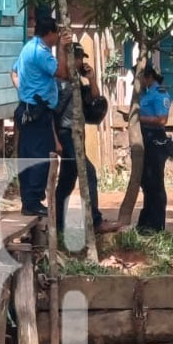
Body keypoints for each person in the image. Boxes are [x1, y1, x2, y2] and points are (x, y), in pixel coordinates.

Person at [54, 45, 119, 236]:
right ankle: (95, 221)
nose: (80, 62)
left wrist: (91, 79)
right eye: (77, 58)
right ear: (67, 58)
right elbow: (51, 113)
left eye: (82, 58)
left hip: (77, 134)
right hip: (66, 134)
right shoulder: (58, 83)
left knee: (67, 180)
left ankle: (58, 225)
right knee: (88, 172)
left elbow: (95, 99)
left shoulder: (77, 84)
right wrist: (56, 140)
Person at [12, 15, 66, 216]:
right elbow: (61, 73)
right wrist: (62, 48)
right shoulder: (42, 53)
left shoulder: (28, 48)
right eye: (56, 33)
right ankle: (33, 201)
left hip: (27, 107)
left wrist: (24, 92)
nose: (57, 37)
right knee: (40, 156)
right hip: (37, 111)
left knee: (27, 154)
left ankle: (29, 200)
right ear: (50, 33)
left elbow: (13, 72)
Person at [135, 65, 173, 232]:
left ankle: (156, 225)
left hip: (155, 141)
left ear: (148, 76)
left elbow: (162, 119)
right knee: (146, 182)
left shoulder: (159, 93)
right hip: (145, 140)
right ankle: (145, 222)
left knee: (155, 183)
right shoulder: (145, 93)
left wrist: (138, 118)